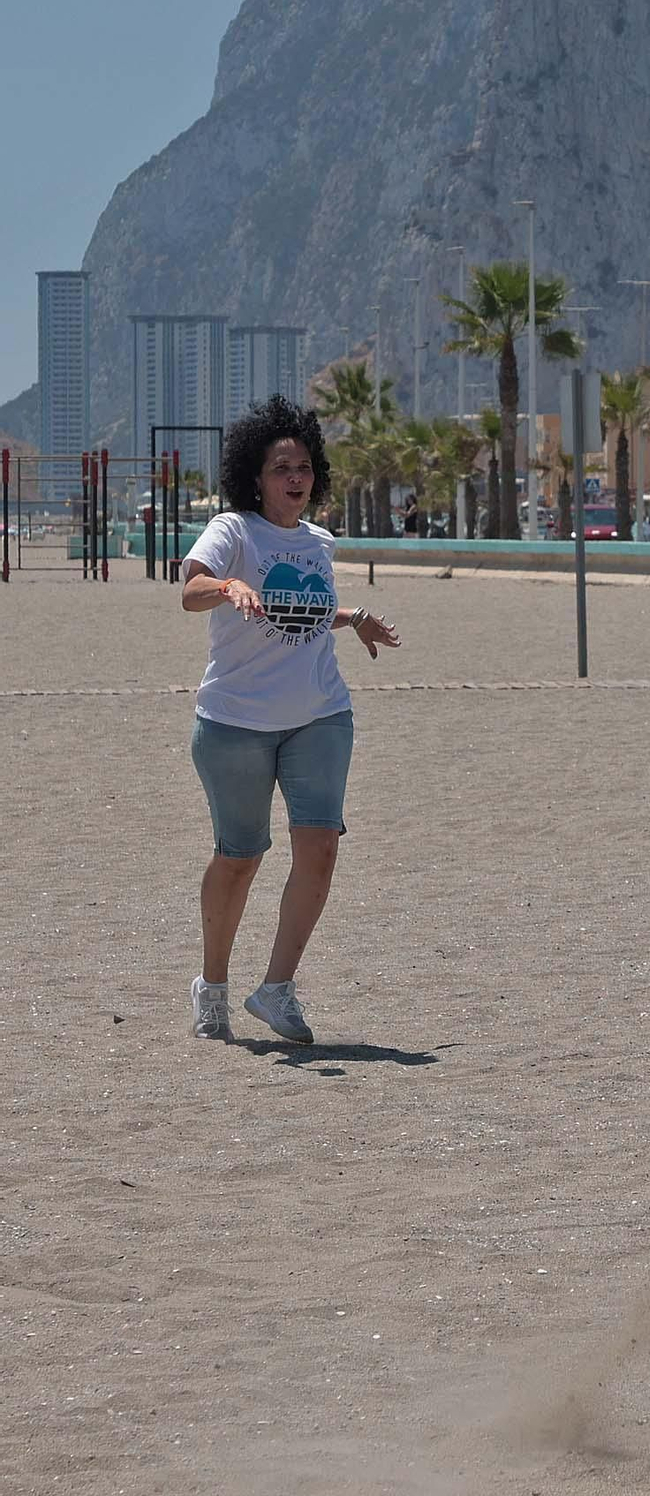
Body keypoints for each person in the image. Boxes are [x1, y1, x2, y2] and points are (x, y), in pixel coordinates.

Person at [180, 394, 402, 1047]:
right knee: (240, 857)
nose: (295, 477)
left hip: (320, 714)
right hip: (235, 721)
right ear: (256, 475)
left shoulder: (318, 542)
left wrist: (352, 617)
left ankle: (276, 988)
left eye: (304, 465)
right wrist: (227, 587)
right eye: (282, 466)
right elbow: (190, 591)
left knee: (321, 847)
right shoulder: (232, 531)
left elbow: (298, 606)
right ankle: (212, 984)